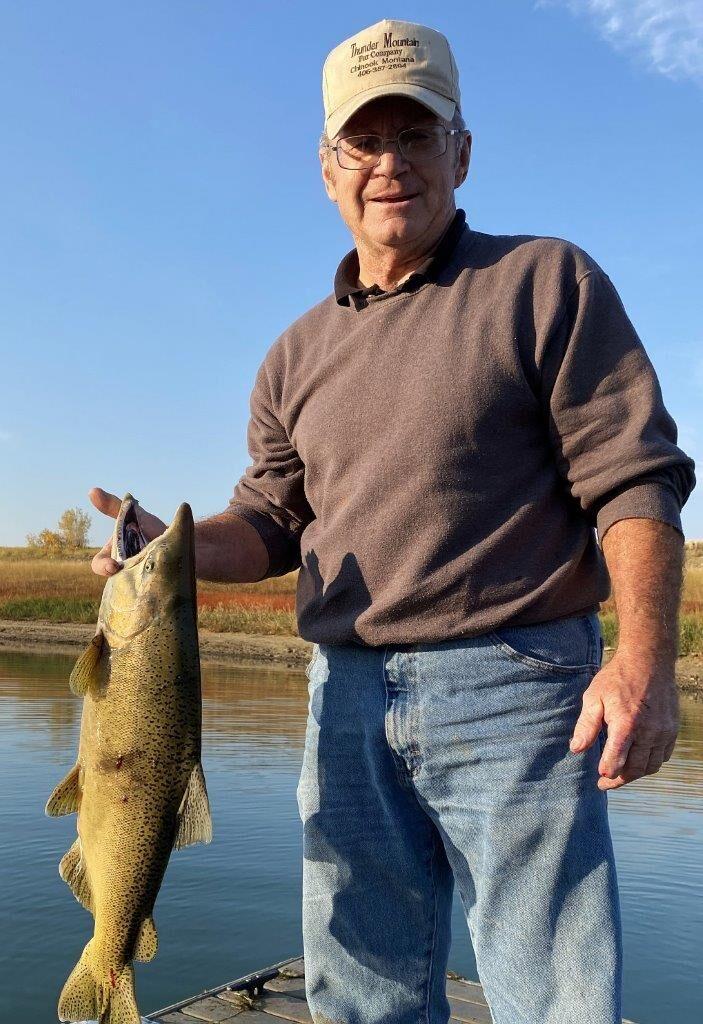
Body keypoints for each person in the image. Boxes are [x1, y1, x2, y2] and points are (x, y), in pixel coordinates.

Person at [90, 18, 696, 1024]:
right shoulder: (294, 354)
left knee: (558, 998)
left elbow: (634, 478)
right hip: (345, 697)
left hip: (521, 690)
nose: (389, 163)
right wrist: (170, 544)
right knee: (358, 989)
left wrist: (642, 660)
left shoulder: (545, 281)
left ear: (461, 151)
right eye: (364, 142)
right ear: (326, 169)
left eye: (415, 135)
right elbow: (269, 523)